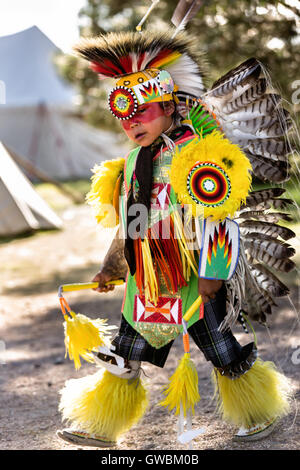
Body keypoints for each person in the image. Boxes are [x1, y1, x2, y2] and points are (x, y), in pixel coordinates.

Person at [56, 30, 293, 448]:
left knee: (222, 352)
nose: (133, 124)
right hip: (146, 282)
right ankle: (102, 425)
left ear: (167, 106)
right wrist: (113, 266)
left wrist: (213, 274)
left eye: (143, 113)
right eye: (125, 118)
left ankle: (257, 413)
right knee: (123, 355)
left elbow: (219, 215)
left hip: (193, 276)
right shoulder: (131, 164)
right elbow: (132, 220)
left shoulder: (197, 152)